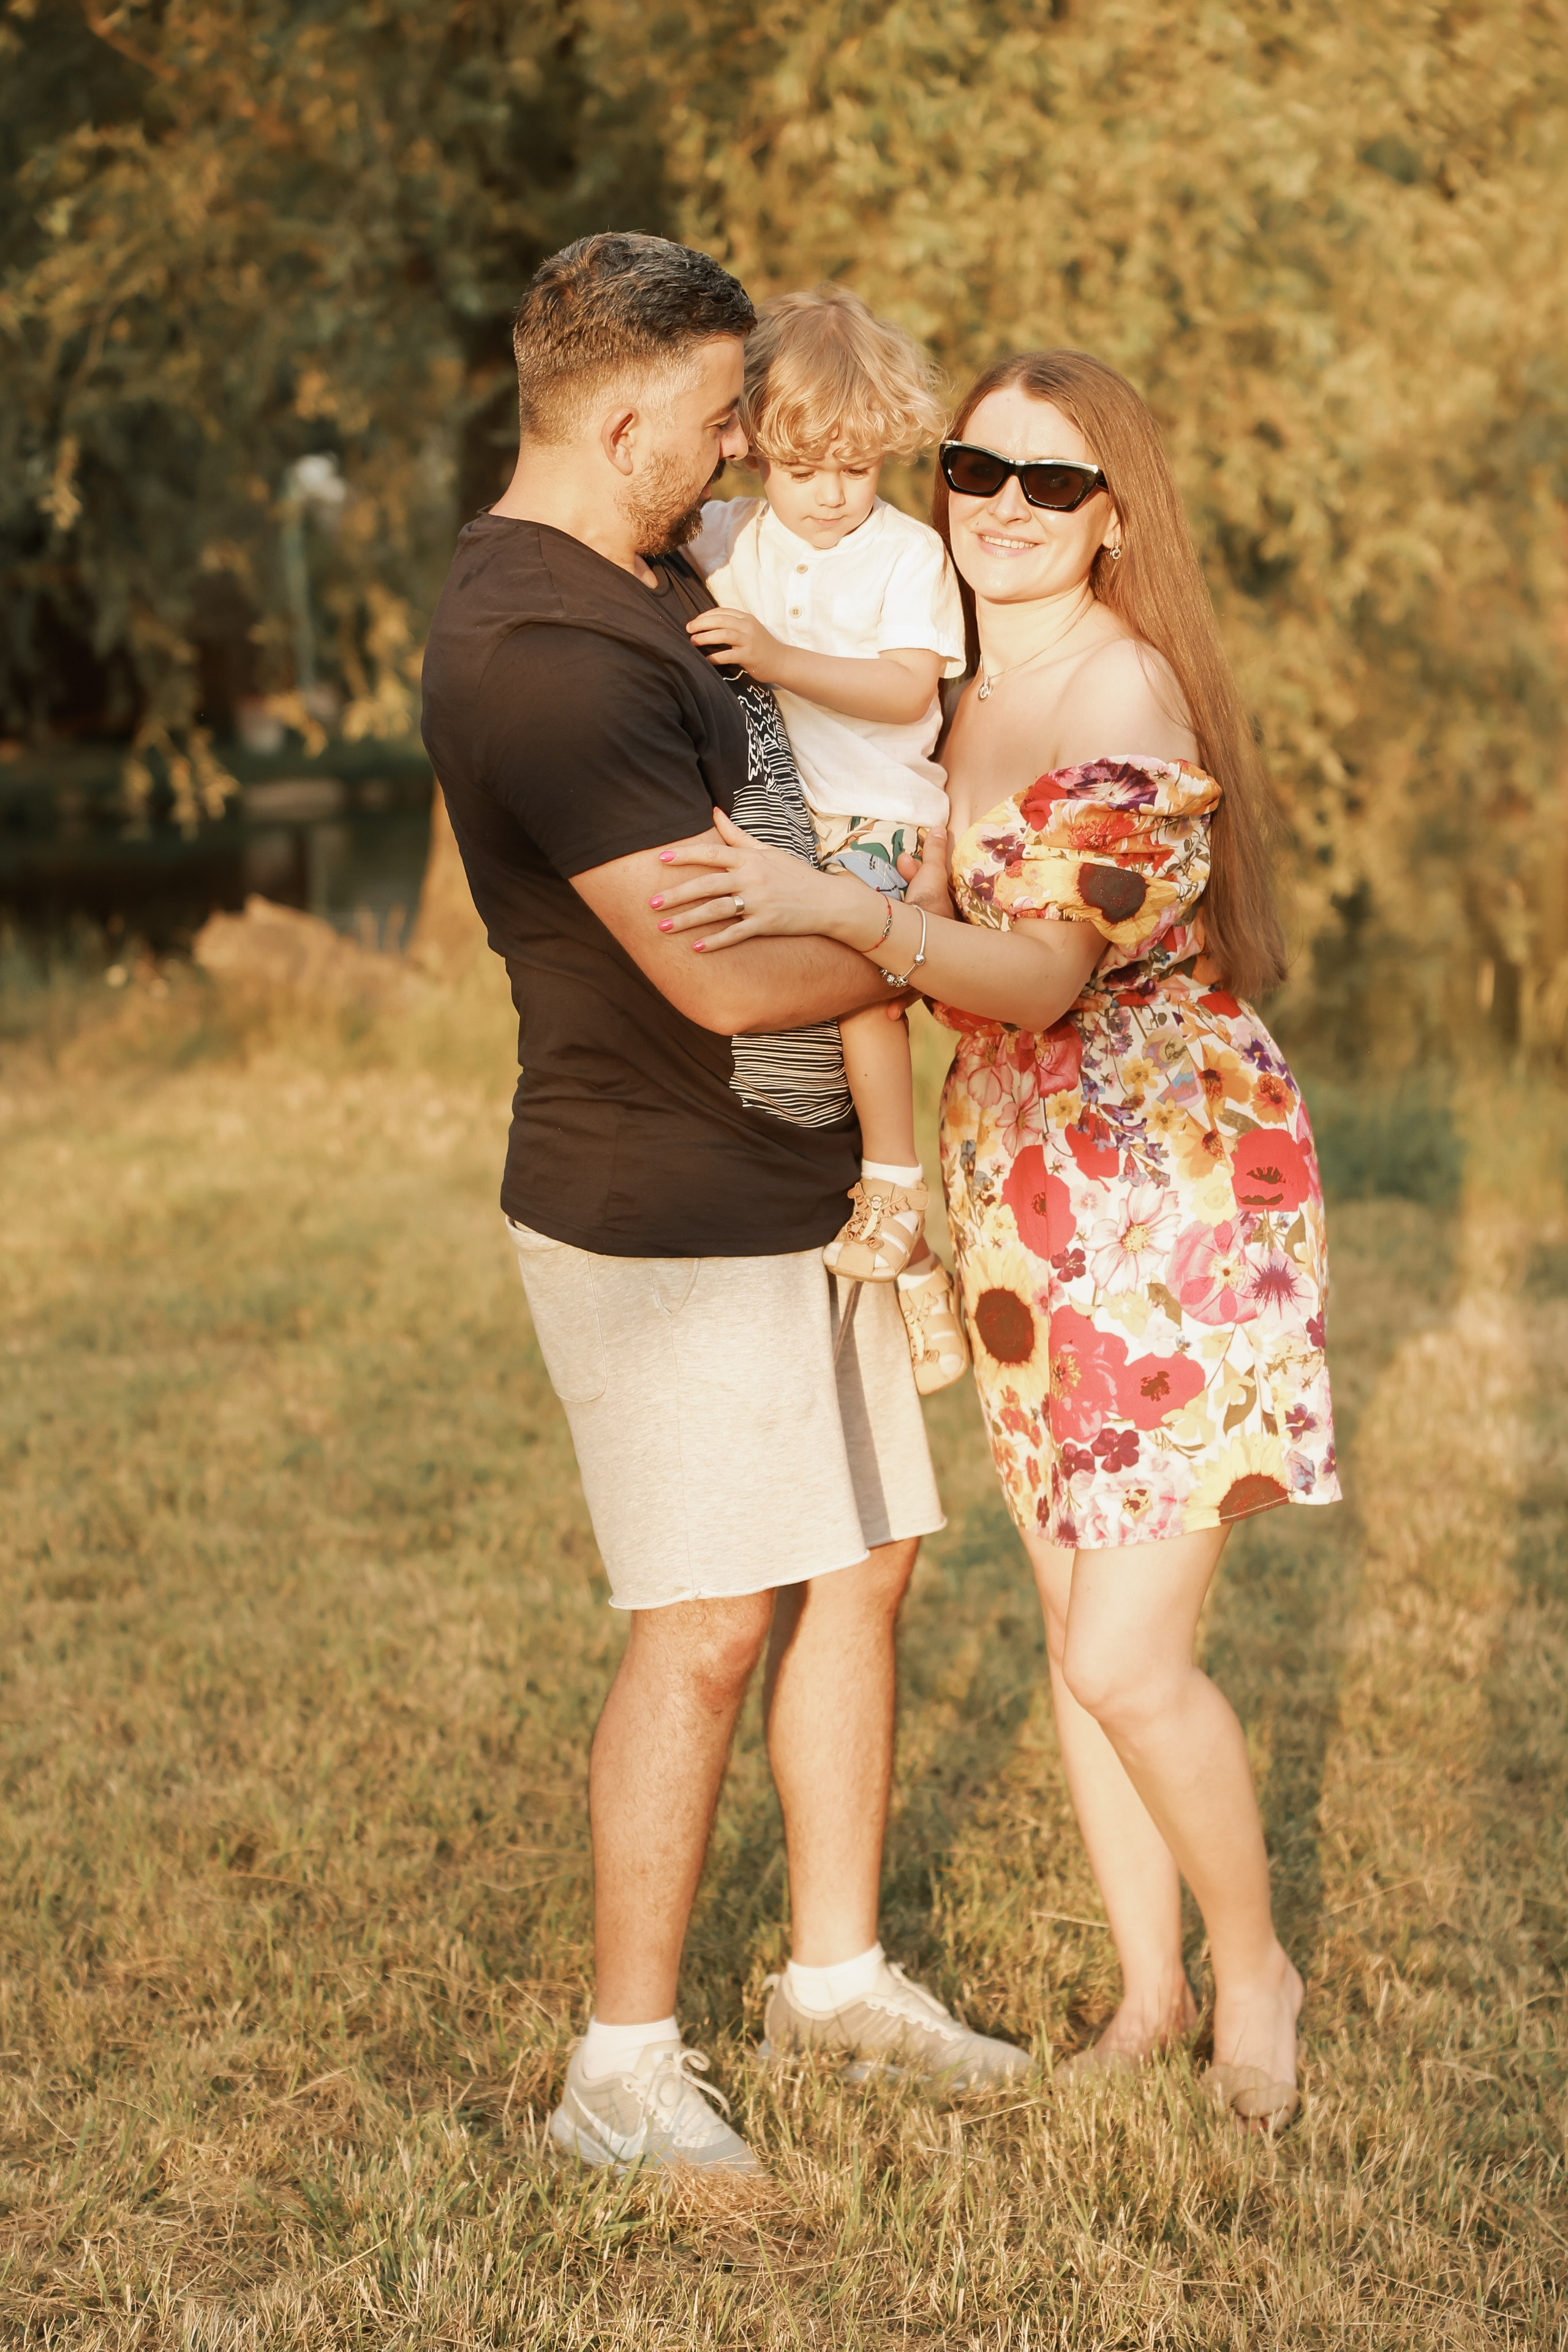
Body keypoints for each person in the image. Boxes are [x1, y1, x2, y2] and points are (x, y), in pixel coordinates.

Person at [646, 348, 1341, 2136]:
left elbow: (1036, 976)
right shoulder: (937, 695)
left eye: (1055, 483)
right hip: (1019, 1186)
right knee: (1061, 1613)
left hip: (1170, 1188)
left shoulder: (1130, 699)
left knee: (1126, 1652)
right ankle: (1151, 1987)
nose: (1007, 509)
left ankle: (1254, 1969)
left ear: (1116, 520)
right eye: (980, 468)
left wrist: (842, 913)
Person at [419, 234, 1028, 2180]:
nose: (732, 456)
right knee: (700, 1623)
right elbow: (729, 978)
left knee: (861, 1564)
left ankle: (835, 1978)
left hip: (807, 1174)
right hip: (660, 1201)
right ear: (619, 419)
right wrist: (991, 962)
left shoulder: (653, 574)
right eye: (707, 425)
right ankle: (620, 2066)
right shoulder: (541, 657)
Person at [683, 286, 968, 1393]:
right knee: (806, 1041)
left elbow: (906, 693)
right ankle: (917, 1273)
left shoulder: (904, 557)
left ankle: (895, 1185)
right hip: (789, 820)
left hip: (880, 816)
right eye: (804, 471)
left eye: (857, 469)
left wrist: (773, 658)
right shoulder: (732, 531)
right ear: (756, 454)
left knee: (859, 994)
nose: (833, 496)